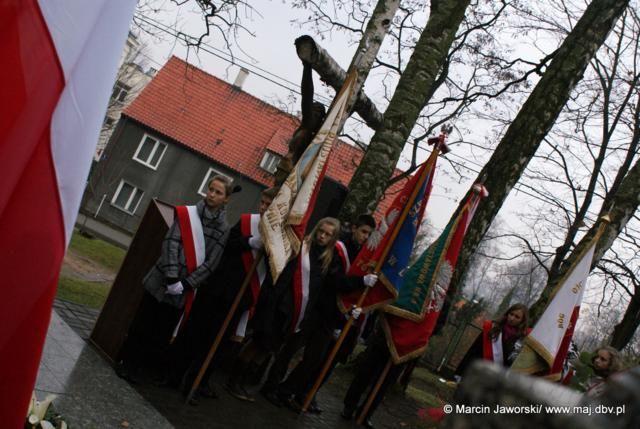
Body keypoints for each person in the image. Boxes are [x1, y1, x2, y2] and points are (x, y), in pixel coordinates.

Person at [115, 175, 232, 383]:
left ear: (226, 199)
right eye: (210, 189)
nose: (212, 195)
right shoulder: (189, 214)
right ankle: (126, 360)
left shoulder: (223, 230)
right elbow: (171, 242)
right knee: (143, 322)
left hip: (184, 289)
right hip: (162, 279)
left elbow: (211, 264)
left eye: (218, 192)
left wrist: (186, 283)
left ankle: (142, 368)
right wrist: (171, 277)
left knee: (162, 331)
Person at [167, 187, 278, 403]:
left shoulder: (279, 238)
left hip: (240, 297)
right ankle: (173, 375)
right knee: (193, 333)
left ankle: (196, 383)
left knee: (215, 344)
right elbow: (227, 247)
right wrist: (249, 242)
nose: (263, 207)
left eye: (268, 205)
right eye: (262, 202)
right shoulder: (247, 221)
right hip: (217, 288)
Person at [226, 217, 341, 402]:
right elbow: (284, 279)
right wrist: (270, 306)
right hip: (279, 307)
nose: (322, 236)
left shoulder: (328, 260)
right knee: (258, 343)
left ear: (333, 238)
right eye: (321, 231)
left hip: (295, 314)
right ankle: (234, 379)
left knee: (268, 348)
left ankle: (245, 380)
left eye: (327, 234)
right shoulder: (302, 249)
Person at [274, 215, 378, 413]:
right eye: (363, 231)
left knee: (314, 358)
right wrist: (360, 282)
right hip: (317, 307)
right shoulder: (340, 248)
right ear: (354, 228)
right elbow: (333, 281)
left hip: (333, 316)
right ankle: (272, 386)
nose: (366, 237)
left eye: (369, 234)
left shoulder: (361, 253)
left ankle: (287, 390)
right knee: (291, 348)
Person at [274, 36, 326, 185]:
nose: (312, 114)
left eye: (317, 113)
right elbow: (306, 95)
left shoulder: (316, 136)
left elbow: (307, 94)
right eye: (312, 111)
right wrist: (306, 67)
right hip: (285, 168)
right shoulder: (305, 127)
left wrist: (307, 67)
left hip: (294, 175)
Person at [455, 303, 530, 375]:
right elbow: (474, 350)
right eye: (511, 314)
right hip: (477, 370)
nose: (512, 318)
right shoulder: (492, 327)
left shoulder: (522, 339)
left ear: (522, 320)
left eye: (517, 317)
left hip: (496, 378)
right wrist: (461, 372)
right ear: (507, 313)